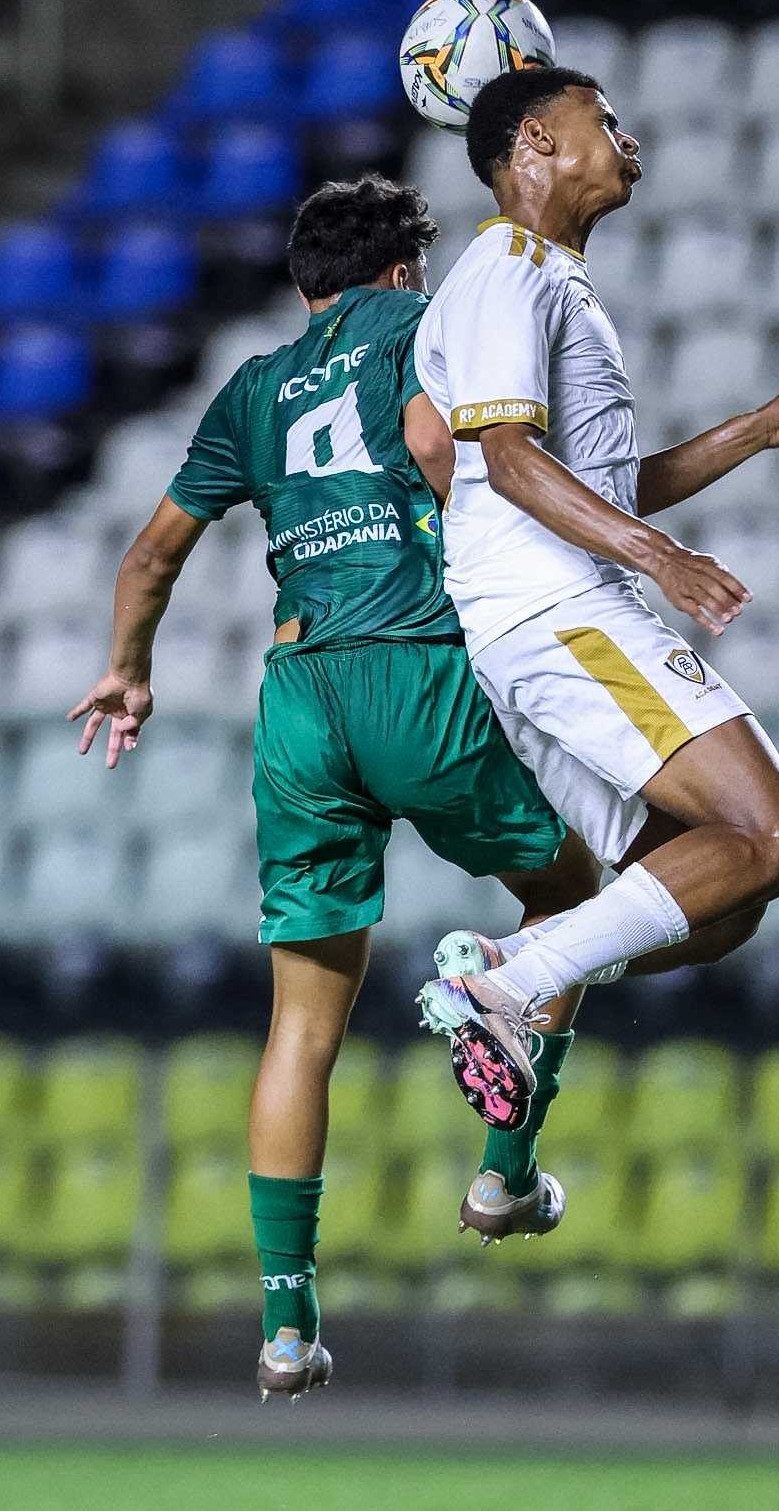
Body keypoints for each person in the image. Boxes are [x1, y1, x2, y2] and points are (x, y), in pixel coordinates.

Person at [68, 176, 607, 1404]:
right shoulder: (427, 325)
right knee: (579, 904)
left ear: (306, 286)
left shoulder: (254, 387)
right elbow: (432, 443)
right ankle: (504, 1172)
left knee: (300, 1025)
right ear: (403, 272)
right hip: (413, 662)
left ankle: (285, 1325)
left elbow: (153, 548)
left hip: (300, 696)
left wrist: (127, 672)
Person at [410, 65, 779, 1121]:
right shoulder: (506, 269)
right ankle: (510, 983)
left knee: (720, 902)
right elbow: (510, 462)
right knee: (778, 836)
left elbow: (589, 482)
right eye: (600, 120)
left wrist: (751, 430)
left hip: (545, 621)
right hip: (563, 614)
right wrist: (661, 558)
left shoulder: (546, 278)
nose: (625, 135)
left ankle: (516, 967)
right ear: (535, 146)